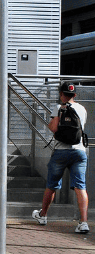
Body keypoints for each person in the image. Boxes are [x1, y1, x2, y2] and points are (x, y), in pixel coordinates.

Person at [32, 82, 89, 234]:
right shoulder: (82, 109)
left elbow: (53, 127)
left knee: (52, 185)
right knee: (80, 186)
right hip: (79, 151)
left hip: (61, 151)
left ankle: (43, 216)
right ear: (75, 95)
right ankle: (83, 222)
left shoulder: (58, 108)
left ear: (61, 94)